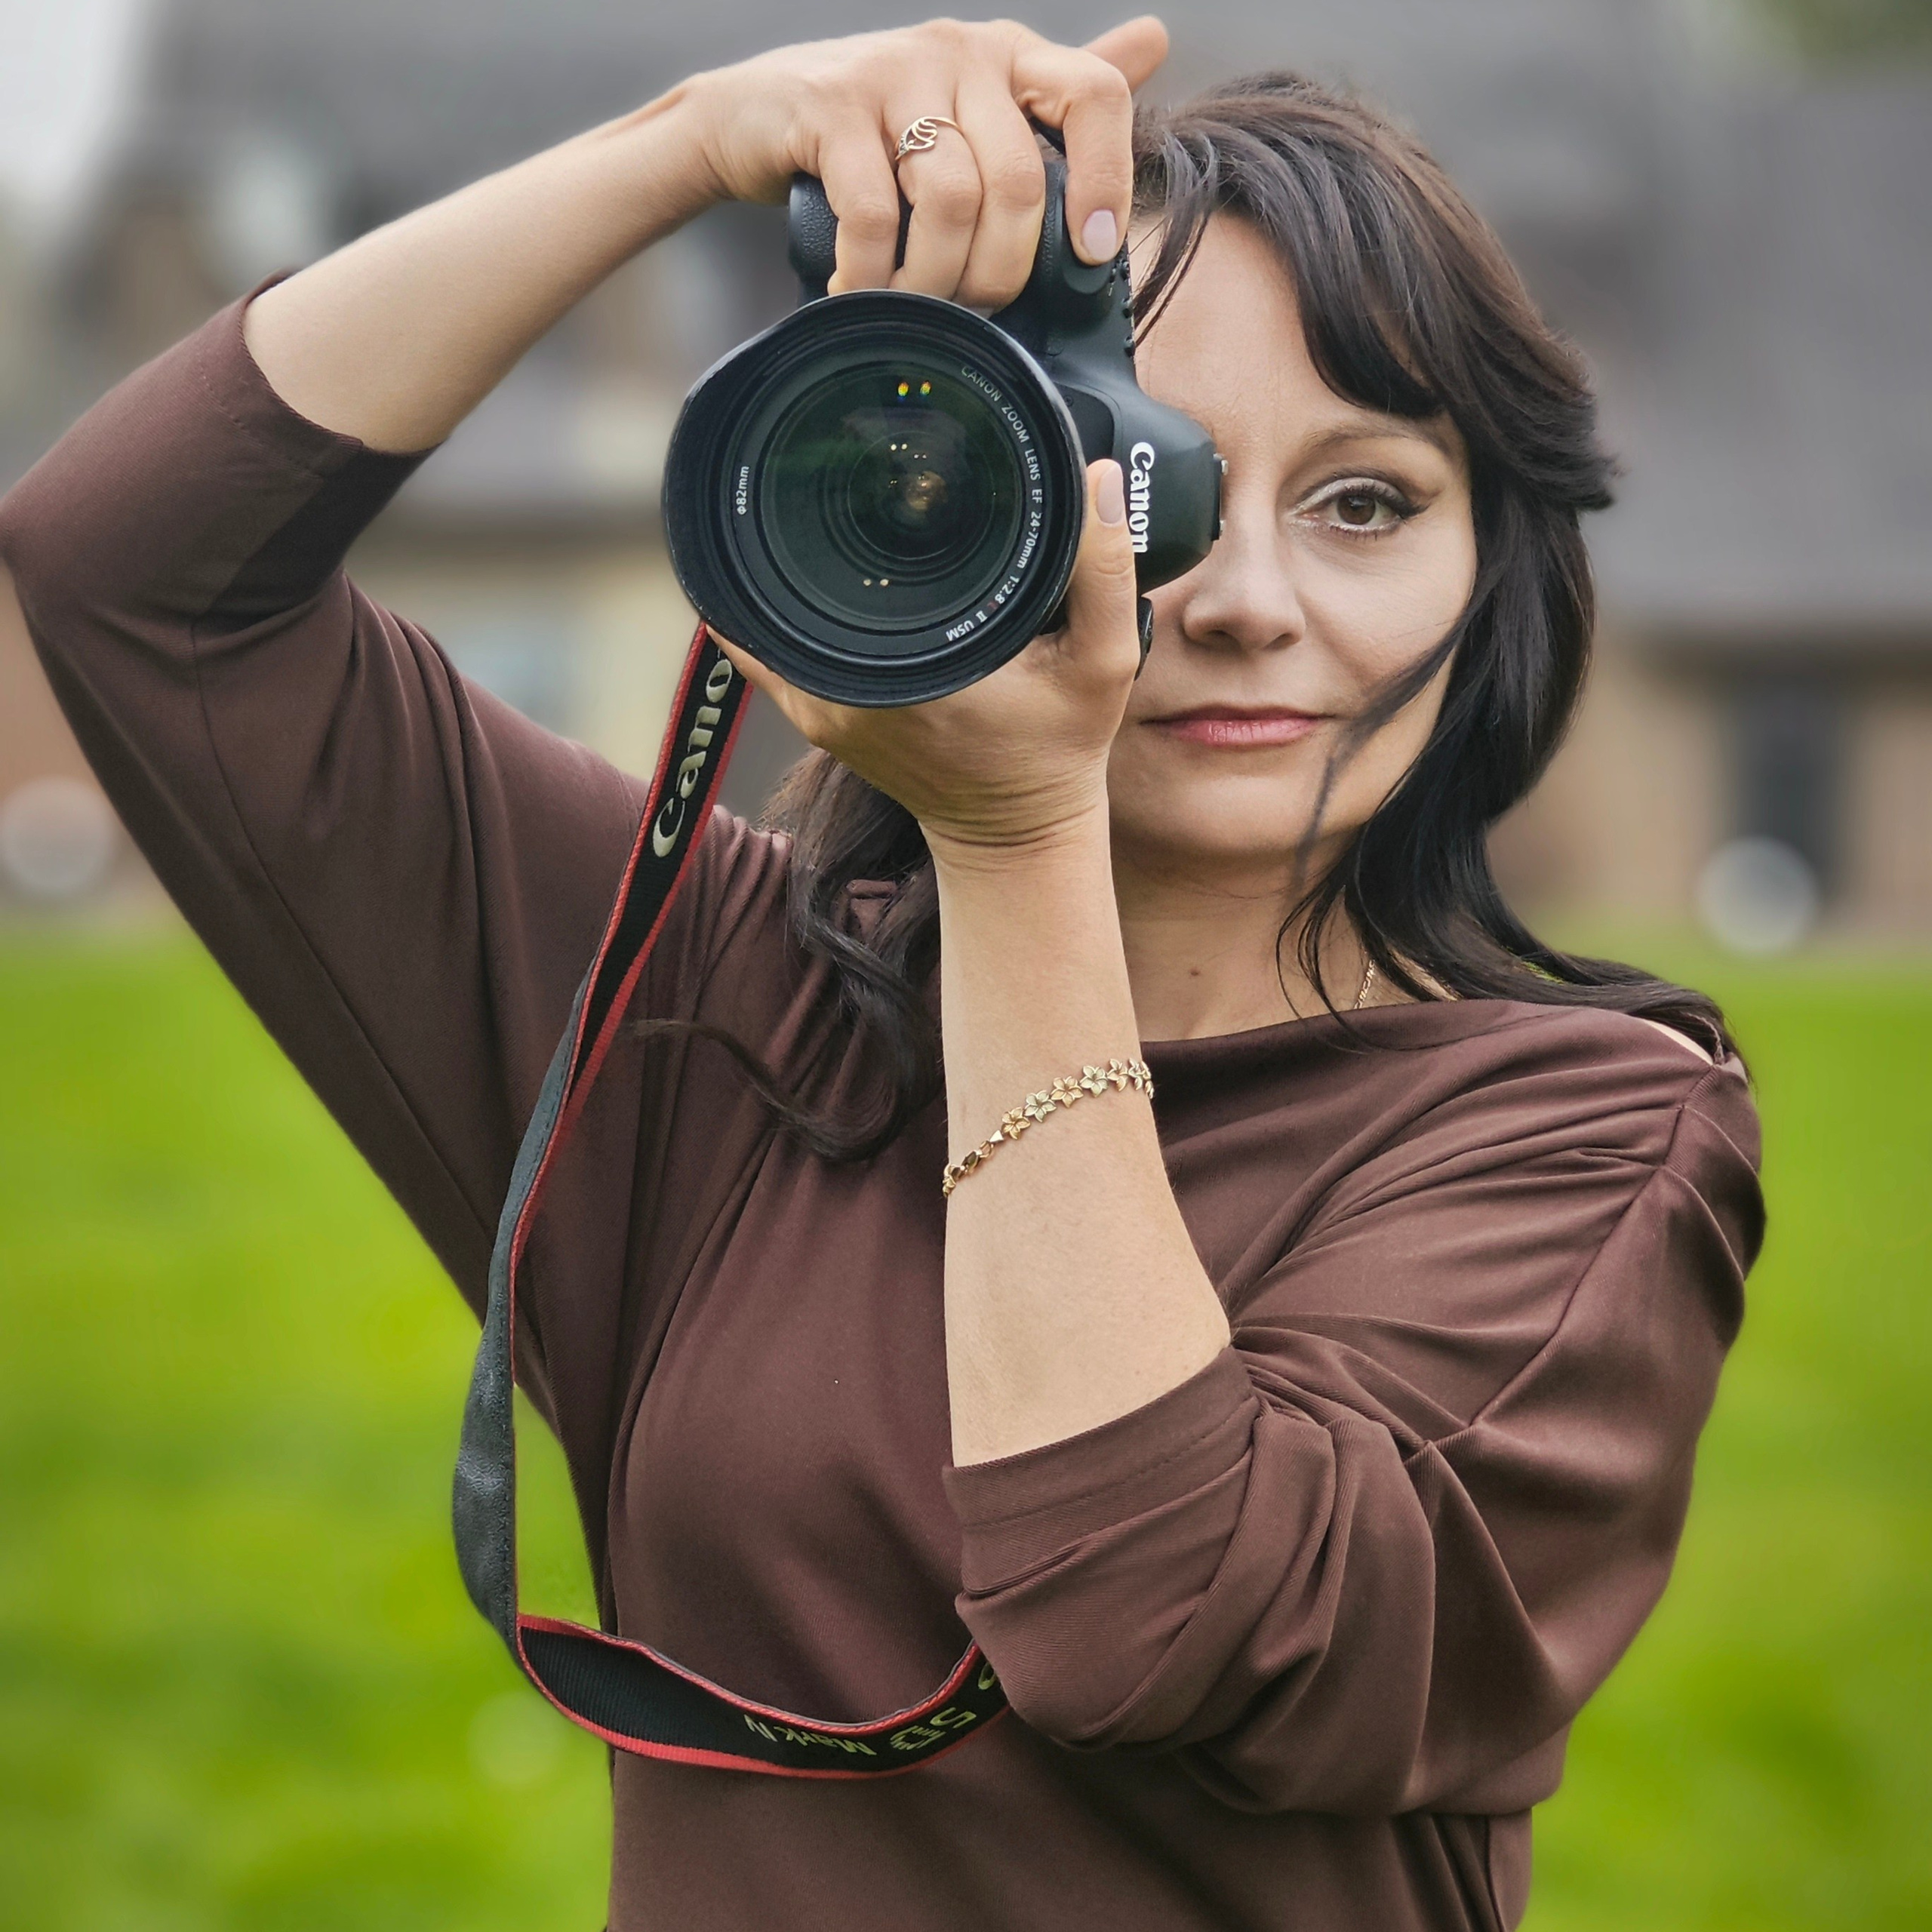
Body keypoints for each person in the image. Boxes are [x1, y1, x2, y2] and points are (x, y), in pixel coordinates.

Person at [0, 15, 1763, 1930]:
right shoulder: (712, 1017)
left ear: (1492, 567)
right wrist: (682, 143)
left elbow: (1147, 1609)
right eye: (1137, 485)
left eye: (1364, 502)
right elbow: (136, 569)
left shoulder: (1581, 1127)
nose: (1251, 597)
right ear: (926, 503)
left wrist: (1015, 844)